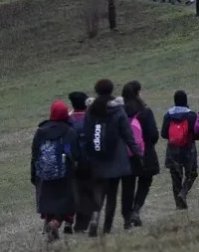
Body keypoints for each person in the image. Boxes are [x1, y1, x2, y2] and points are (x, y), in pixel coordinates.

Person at [82, 81, 142, 236]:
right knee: (112, 195)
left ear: (96, 90)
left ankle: (95, 217)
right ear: (111, 90)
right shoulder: (118, 109)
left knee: (98, 191)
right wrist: (137, 153)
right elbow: (128, 134)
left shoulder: (90, 110)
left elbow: (86, 135)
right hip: (116, 159)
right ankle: (107, 228)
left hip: (97, 158)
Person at [31, 101, 80, 242]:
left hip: (44, 174)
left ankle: (49, 225)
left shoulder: (40, 131)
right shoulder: (68, 130)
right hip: (65, 173)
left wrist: (34, 174)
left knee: (49, 202)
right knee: (66, 202)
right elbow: (73, 152)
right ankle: (55, 223)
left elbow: (35, 155)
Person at [121, 82, 159, 229]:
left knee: (127, 186)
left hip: (125, 155)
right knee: (145, 182)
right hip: (145, 154)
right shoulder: (145, 112)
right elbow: (154, 135)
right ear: (137, 94)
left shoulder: (120, 113)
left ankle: (127, 217)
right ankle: (136, 209)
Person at [161, 91, 199, 209]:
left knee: (176, 178)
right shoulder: (191, 115)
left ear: (175, 101)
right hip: (188, 149)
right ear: (186, 100)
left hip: (172, 150)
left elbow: (163, 134)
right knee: (192, 173)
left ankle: (179, 206)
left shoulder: (168, 115)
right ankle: (183, 193)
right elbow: (198, 134)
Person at [66, 92, 96, 235]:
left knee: (76, 193)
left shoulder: (68, 120)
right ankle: (83, 224)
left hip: (74, 162)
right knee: (89, 193)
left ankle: (72, 221)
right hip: (91, 161)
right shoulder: (91, 118)